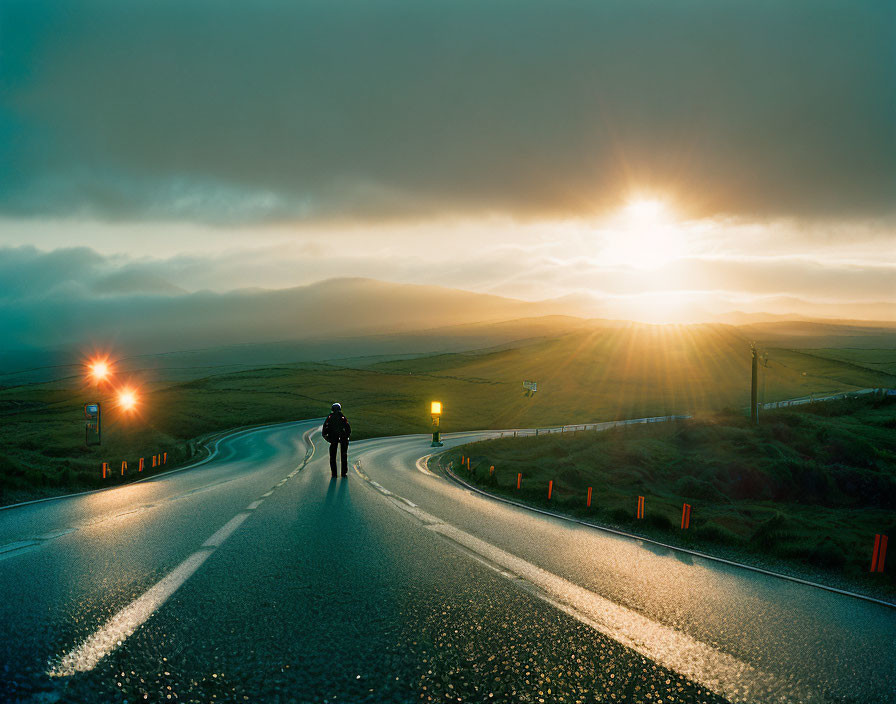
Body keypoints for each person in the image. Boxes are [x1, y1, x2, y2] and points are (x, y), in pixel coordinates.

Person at [322, 402, 352, 477]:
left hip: (333, 439)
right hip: (342, 438)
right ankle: (344, 473)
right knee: (344, 455)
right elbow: (348, 428)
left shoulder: (329, 417)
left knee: (332, 457)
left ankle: (334, 473)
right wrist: (346, 437)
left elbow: (324, 429)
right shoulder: (342, 417)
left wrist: (328, 439)